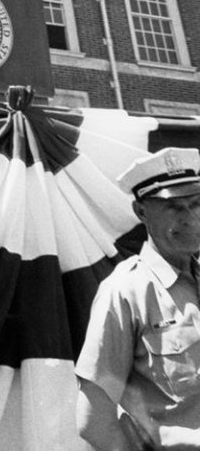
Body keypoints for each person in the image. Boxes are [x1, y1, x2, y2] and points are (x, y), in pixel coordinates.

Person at [76, 147, 200, 451]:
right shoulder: (125, 292)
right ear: (141, 212)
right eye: (173, 207)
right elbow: (94, 422)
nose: (190, 218)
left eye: (197, 203)